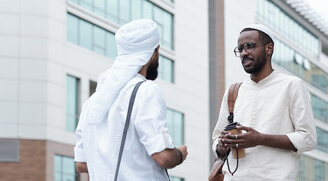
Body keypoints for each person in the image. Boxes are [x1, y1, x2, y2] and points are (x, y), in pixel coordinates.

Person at [74, 19, 188, 181]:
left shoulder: (93, 102)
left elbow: (81, 164)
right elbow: (164, 157)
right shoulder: (145, 90)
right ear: (153, 52)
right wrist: (179, 154)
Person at [212, 23, 317, 180]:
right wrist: (221, 145)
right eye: (240, 49)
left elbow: (308, 138)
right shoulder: (234, 91)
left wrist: (260, 139)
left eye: (250, 46)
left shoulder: (292, 85)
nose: (243, 53)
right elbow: (217, 140)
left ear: (269, 49)